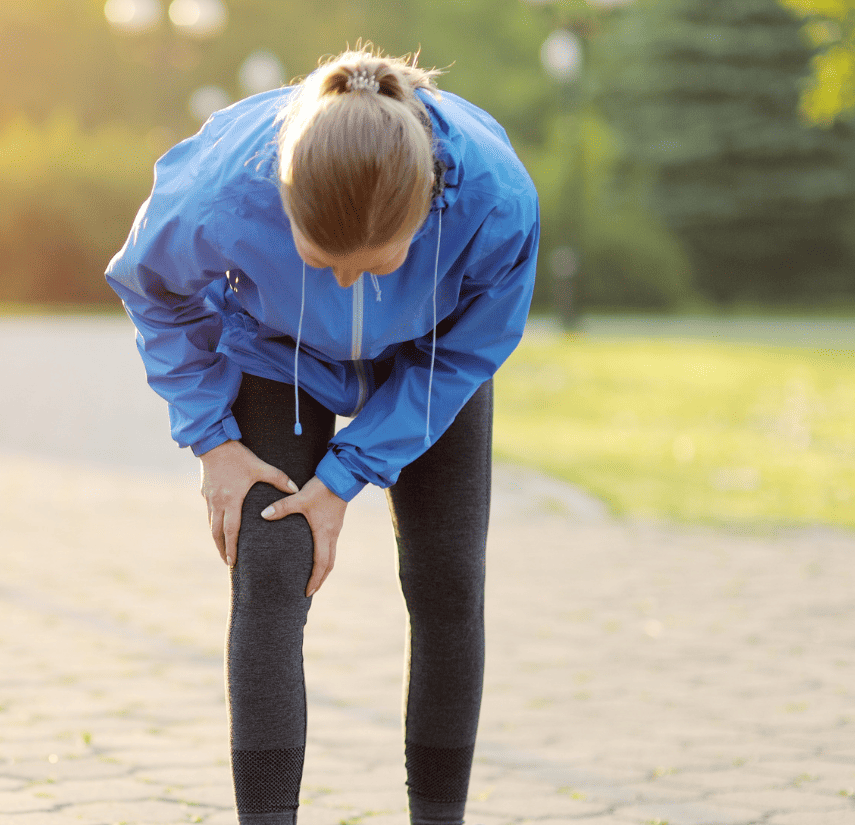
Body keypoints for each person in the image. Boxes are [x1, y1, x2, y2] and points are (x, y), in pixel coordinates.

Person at [105, 44, 539, 825]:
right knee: (270, 570)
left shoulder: (494, 198)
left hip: (432, 354)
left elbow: (477, 342)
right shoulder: (220, 192)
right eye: (322, 261)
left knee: (445, 583)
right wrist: (212, 439)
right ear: (281, 203)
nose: (348, 282)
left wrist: (348, 474)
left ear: (426, 208)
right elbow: (153, 287)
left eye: (379, 263)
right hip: (279, 354)